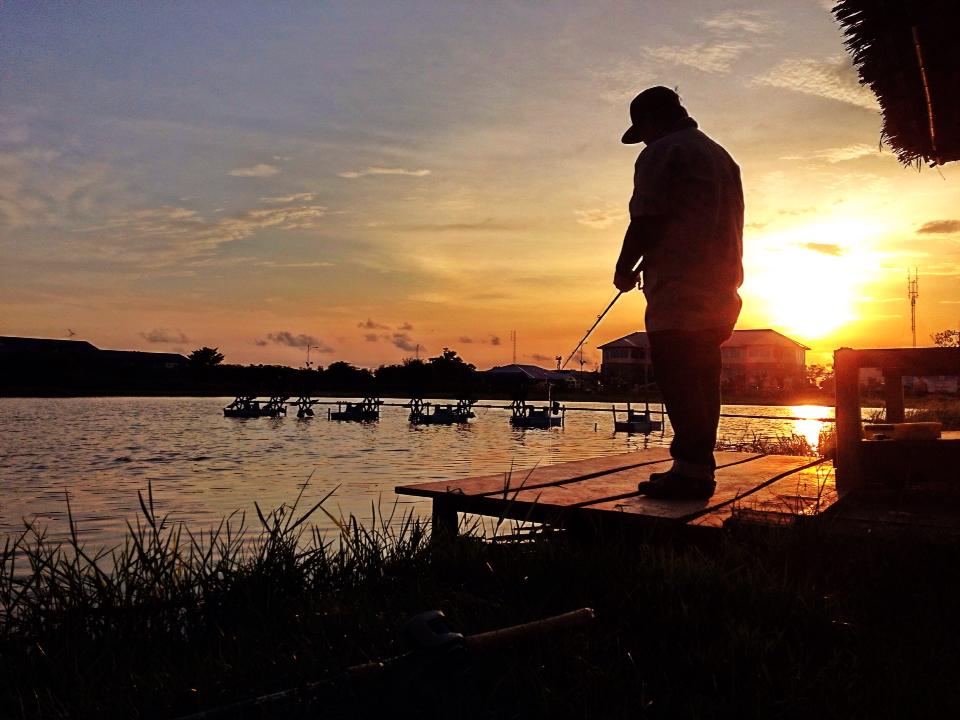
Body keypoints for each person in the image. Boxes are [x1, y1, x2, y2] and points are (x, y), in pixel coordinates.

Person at [613, 86, 743, 500]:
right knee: (704, 377)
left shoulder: (661, 152)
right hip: (722, 286)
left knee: (680, 377)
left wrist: (623, 266)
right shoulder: (722, 157)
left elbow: (647, 219)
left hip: (680, 287)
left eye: (644, 129)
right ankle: (696, 468)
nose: (644, 138)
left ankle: (690, 472)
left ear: (652, 120)